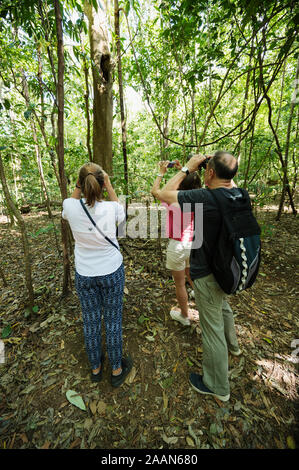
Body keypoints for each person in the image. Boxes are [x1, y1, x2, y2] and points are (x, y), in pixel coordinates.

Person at [154, 151, 241, 402]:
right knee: (220, 304)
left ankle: (217, 385)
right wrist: (220, 167)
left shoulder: (192, 199)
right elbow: (227, 181)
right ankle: (234, 345)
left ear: (209, 173)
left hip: (193, 257)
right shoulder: (231, 196)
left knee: (188, 293)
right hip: (213, 260)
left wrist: (181, 170)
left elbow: (161, 192)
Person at [62, 162, 133, 387]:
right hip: (111, 271)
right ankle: (116, 370)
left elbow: (68, 208)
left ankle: (95, 368)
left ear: (80, 184)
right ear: (102, 183)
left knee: (91, 321)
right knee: (113, 320)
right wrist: (109, 185)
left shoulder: (70, 206)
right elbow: (122, 214)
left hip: (84, 274)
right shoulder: (111, 208)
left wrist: (78, 183)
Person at [151, 160, 201, 326]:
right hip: (194, 244)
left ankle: (185, 316)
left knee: (180, 284)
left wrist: (162, 173)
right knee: (192, 276)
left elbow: (155, 191)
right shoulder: (202, 198)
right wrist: (185, 171)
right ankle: (202, 304)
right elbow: (191, 182)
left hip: (178, 246)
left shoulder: (173, 201)